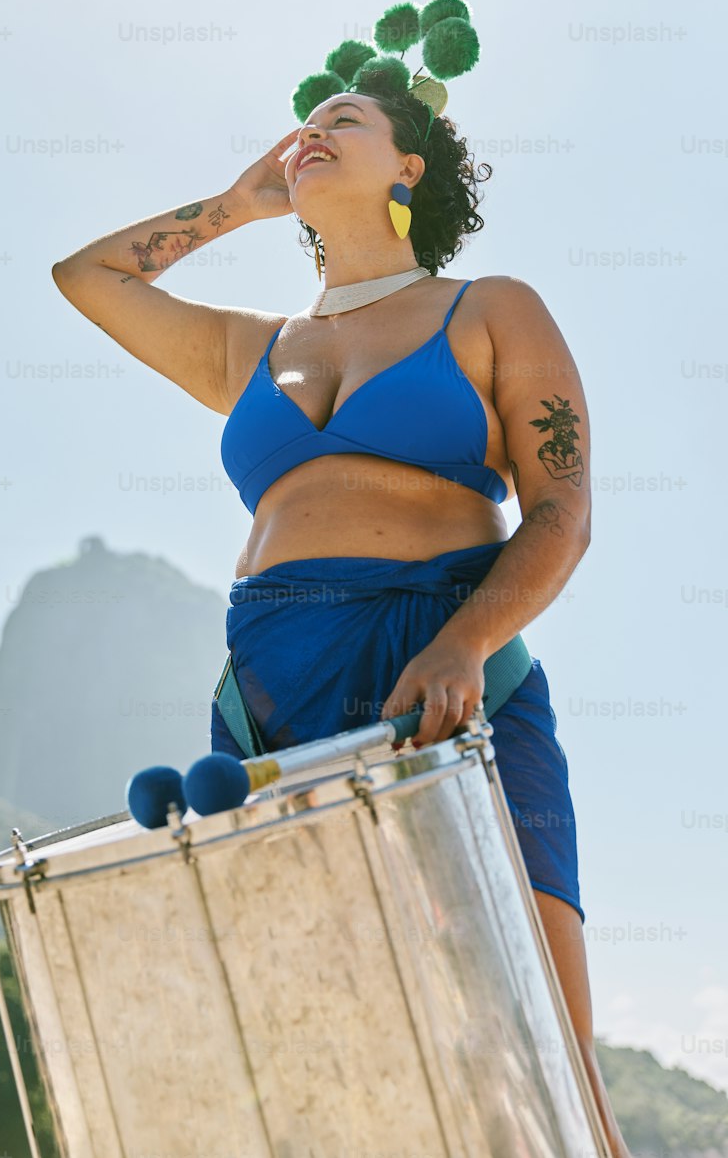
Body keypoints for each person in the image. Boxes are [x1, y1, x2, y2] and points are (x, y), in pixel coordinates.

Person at [52, 75, 631, 1158]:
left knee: (539, 1044)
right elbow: (86, 276)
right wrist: (240, 204)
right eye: (305, 126)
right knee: (334, 1063)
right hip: (271, 691)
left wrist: (464, 642)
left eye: (346, 123)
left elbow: (562, 510)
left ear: (408, 167)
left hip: (443, 664)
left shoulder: (492, 307)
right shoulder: (250, 350)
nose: (313, 133)